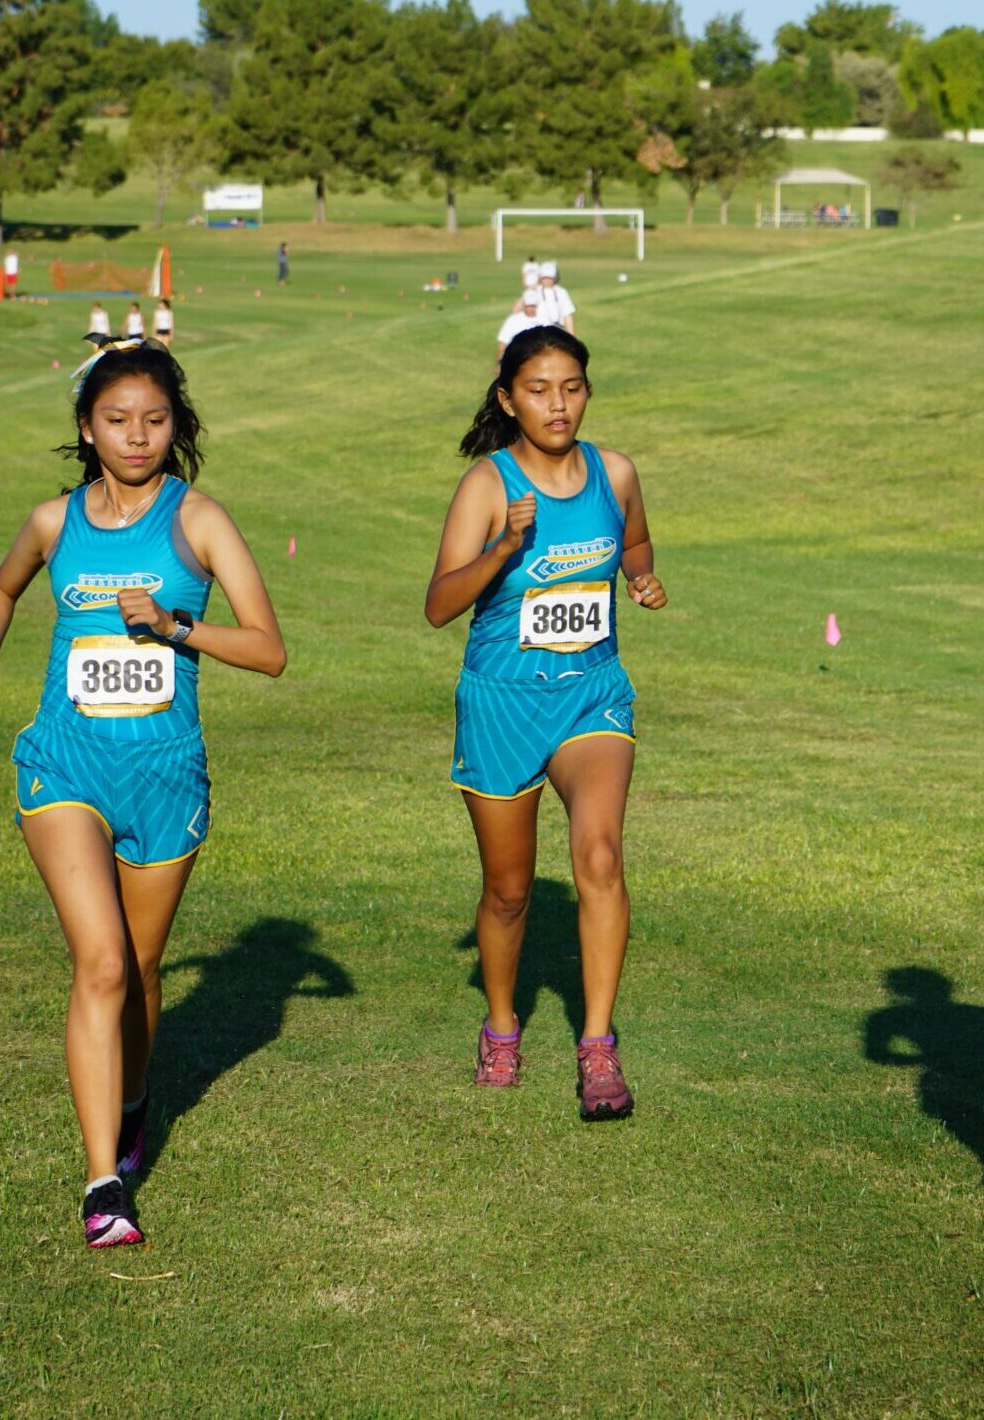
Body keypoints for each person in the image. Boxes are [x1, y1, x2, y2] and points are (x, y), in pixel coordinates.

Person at [0, 334, 288, 1247]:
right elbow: (2, 587)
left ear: (176, 429)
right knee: (98, 964)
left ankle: (135, 1099)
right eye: (117, 420)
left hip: (166, 775)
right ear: (87, 429)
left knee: (138, 972)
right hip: (65, 764)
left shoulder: (200, 521)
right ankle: (103, 1187)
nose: (136, 436)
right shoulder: (56, 523)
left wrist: (177, 627)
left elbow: (269, 649)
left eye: (154, 421)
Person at [424, 325, 667, 1122]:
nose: (556, 404)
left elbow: (633, 539)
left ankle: (598, 1048)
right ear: (507, 399)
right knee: (509, 891)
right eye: (537, 389)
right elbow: (439, 606)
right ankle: (501, 1027)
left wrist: (639, 577)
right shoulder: (487, 486)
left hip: (592, 694)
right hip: (500, 703)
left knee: (599, 855)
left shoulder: (615, 472)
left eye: (571, 387)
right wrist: (504, 547)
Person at [533, 263, 576, 335]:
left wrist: (572, 336)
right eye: (544, 277)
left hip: (557, 330)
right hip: (537, 331)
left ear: (555, 278)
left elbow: (568, 315)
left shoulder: (561, 292)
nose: (547, 280)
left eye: (549, 277)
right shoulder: (534, 291)